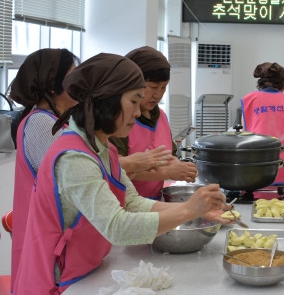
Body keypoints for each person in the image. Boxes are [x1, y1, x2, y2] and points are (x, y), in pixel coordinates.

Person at [13, 53, 229, 294]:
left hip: (86, 270)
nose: (137, 113)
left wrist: (196, 209)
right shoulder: (75, 158)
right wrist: (188, 211)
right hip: (57, 282)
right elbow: (117, 226)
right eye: (134, 101)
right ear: (109, 100)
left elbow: (131, 202)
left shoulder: (103, 148)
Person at [9, 48, 79, 290]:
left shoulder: (59, 122)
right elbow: (71, 174)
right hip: (45, 242)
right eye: (72, 77)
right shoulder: (40, 123)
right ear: (52, 86)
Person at [109, 46, 197, 199]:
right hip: (123, 206)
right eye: (152, 87)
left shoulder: (160, 116)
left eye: (163, 87)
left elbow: (169, 155)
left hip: (153, 203)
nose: (158, 94)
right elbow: (115, 166)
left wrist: (181, 168)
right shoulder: (119, 117)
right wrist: (166, 172)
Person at [240, 62, 284, 185]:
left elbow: (244, 135)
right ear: (283, 83)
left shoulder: (249, 100)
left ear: (260, 83)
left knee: (257, 204)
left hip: (257, 165)